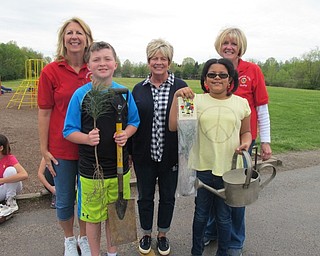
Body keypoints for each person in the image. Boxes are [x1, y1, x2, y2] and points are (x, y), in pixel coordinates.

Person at [63, 41, 140, 256]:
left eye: (107, 59)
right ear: (88, 65)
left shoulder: (124, 93)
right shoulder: (81, 95)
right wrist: (87, 138)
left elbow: (134, 121)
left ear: (115, 64)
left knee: (115, 215)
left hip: (119, 170)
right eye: (96, 59)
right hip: (91, 172)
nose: (102, 63)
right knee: (93, 219)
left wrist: (127, 133)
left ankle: (112, 252)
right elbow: (68, 131)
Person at [169, 58, 252, 256]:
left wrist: (246, 143)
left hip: (229, 170)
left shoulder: (241, 103)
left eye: (222, 75)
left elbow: (246, 132)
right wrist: (176, 98)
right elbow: (173, 126)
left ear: (230, 79)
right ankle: (196, 252)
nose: (217, 78)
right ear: (205, 78)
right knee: (200, 216)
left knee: (224, 217)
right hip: (203, 167)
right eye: (211, 74)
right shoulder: (194, 100)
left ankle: (223, 252)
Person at [203, 27, 273, 256]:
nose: (229, 47)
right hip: (214, 142)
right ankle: (212, 231)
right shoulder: (215, 69)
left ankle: (234, 241)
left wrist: (265, 141)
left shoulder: (252, 71)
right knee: (215, 189)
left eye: (234, 43)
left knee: (236, 193)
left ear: (240, 47)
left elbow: (261, 108)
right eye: (225, 43)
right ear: (219, 45)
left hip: (242, 143)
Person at [37, 17, 93, 256]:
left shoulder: (94, 70)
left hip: (91, 148)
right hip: (62, 148)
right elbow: (45, 111)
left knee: (87, 199)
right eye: (69, 32)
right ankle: (69, 239)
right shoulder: (51, 71)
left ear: (87, 38)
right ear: (63, 39)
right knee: (65, 198)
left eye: (79, 32)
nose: (74, 36)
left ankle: (84, 238)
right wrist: (43, 148)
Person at [129, 38, 188, 256]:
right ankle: (146, 233)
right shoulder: (138, 89)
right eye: (154, 58)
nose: (159, 62)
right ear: (148, 61)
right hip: (144, 155)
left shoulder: (181, 87)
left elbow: (188, 121)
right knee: (145, 196)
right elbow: (131, 122)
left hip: (170, 156)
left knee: (167, 197)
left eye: (163, 58)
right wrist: (129, 153)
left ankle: (162, 235)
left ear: (169, 62)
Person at [0, 134, 28, 213]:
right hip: (2, 189)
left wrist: (2, 180)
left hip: (12, 187)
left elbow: (24, 174)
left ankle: (11, 200)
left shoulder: (9, 158)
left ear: (1, 148)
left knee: (11, 170)